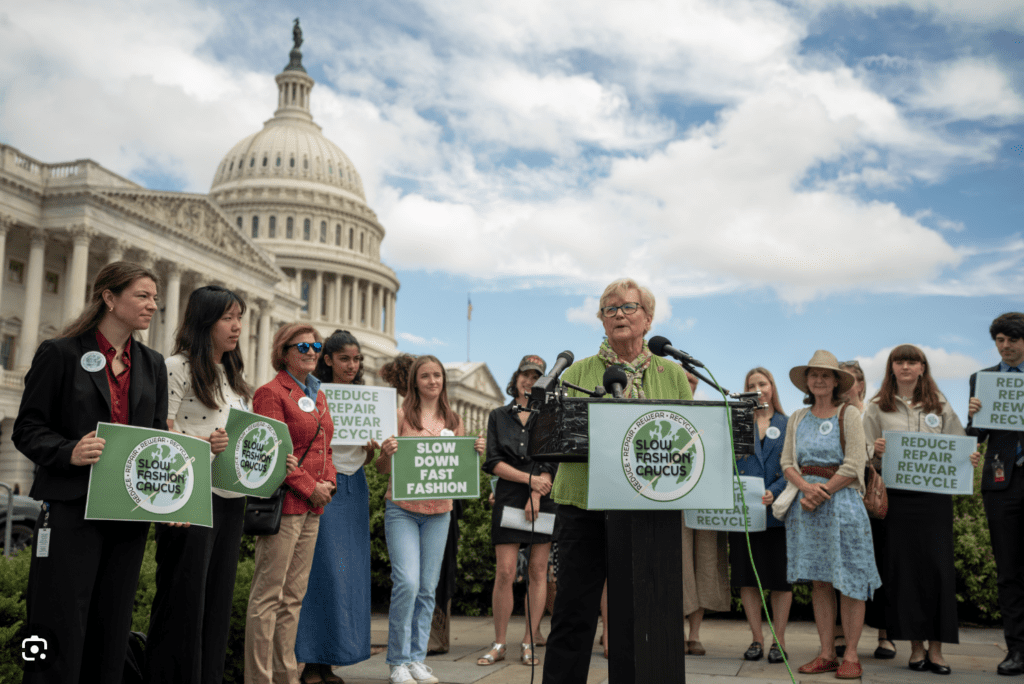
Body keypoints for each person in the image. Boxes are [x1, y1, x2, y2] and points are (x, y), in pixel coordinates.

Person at [13, 262, 166, 684]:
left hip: (127, 515)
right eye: (143, 295)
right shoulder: (60, 352)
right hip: (70, 509)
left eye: (155, 297)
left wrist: (173, 494)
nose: (153, 305)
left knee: (112, 629)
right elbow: (27, 428)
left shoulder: (153, 364)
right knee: (54, 623)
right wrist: (68, 451)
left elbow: (155, 440)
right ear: (109, 298)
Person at [541, 278, 696, 684]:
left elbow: (689, 437)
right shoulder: (577, 372)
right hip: (584, 505)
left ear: (648, 318)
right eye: (610, 310)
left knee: (637, 616)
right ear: (601, 320)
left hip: (648, 510)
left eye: (628, 307)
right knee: (574, 614)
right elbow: (561, 435)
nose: (619, 315)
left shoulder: (673, 374)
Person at [145, 285, 252, 684]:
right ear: (205, 322)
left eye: (239, 317)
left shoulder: (233, 375)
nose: (237, 326)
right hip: (190, 497)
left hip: (229, 496)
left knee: (216, 601)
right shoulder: (176, 366)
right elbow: (163, 430)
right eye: (228, 317)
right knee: (183, 600)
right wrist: (204, 444)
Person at [864, 344, 979, 675]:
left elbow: (959, 445)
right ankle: (915, 648)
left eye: (912, 361)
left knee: (938, 572)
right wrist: (876, 450)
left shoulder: (940, 405)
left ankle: (938, 650)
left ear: (922, 368)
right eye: (899, 361)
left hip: (935, 500)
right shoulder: (876, 407)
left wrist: (969, 457)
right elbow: (862, 453)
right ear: (891, 368)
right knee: (906, 574)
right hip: (897, 501)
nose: (905, 366)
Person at [779, 350, 880, 680]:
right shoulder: (797, 417)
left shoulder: (848, 413)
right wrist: (806, 490)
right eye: (813, 375)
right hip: (805, 508)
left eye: (826, 375)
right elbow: (787, 463)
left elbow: (853, 465)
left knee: (850, 580)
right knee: (820, 581)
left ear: (837, 381)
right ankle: (826, 653)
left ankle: (850, 653)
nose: (819, 380)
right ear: (806, 381)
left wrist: (821, 492)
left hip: (843, 506)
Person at [245, 324, 336, 684]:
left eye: (316, 345)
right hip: (285, 506)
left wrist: (328, 482)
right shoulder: (270, 393)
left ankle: (286, 676)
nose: (312, 351)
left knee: (293, 598)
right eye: (303, 347)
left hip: (313, 506)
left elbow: (324, 443)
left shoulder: (318, 394)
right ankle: (259, 677)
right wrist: (311, 487)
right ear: (283, 352)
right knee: (268, 597)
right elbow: (272, 453)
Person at [295, 330, 377, 683]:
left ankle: (331, 661)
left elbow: (364, 453)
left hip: (354, 484)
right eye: (345, 359)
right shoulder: (312, 392)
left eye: (356, 359)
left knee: (349, 574)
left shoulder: (365, 397)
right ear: (327, 359)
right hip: (322, 485)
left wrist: (374, 448)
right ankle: (311, 662)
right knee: (321, 571)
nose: (352, 365)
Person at [378, 355, 465, 684]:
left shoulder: (454, 419)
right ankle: (397, 661)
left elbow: (460, 470)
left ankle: (417, 658)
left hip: (440, 512)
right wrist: (386, 454)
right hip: (402, 509)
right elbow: (383, 470)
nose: (432, 381)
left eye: (437, 375)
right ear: (414, 381)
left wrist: (474, 451)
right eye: (426, 376)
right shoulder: (401, 415)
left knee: (428, 588)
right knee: (407, 584)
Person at [478, 355, 557, 668]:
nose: (530, 381)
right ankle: (499, 643)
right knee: (506, 571)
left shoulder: (549, 415)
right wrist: (530, 482)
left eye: (537, 377)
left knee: (539, 571)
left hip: (545, 495)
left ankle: (529, 641)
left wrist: (538, 491)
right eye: (525, 375)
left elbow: (552, 459)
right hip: (509, 494)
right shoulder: (498, 415)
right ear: (516, 378)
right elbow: (493, 461)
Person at [967, 312, 1024, 676]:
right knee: (1008, 571)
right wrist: (973, 417)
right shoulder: (982, 380)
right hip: (1001, 484)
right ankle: (1017, 650)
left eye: (1013, 340)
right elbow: (978, 437)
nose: (1006, 347)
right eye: (1000, 341)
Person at [732, 368, 792, 664]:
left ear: (772, 387)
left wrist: (775, 490)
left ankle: (778, 642)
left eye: (763, 383)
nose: (758, 389)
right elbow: (727, 463)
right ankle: (756, 638)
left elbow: (795, 465)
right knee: (748, 579)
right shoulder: (737, 424)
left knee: (781, 581)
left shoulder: (788, 423)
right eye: (751, 385)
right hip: (744, 515)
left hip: (778, 516)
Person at [839, 358, 893, 660]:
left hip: (871, 503)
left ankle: (885, 634)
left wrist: (879, 452)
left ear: (860, 383)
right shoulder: (830, 414)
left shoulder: (873, 412)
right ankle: (839, 633)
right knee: (841, 566)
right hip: (842, 501)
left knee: (881, 564)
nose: (845, 385)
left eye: (850, 379)